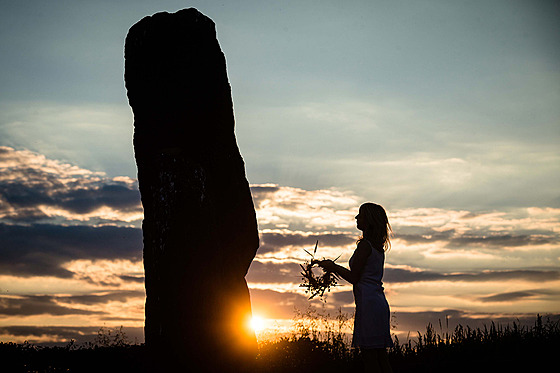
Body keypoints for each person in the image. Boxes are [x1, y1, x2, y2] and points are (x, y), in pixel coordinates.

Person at [318, 202, 393, 373]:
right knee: (381, 357)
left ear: (368, 221)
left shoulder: (365, 246)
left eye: (360, 215)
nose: (356, 217)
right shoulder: (377, 247)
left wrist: (332, 266)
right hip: (378, 302)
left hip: (369, 305)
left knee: (370, 359)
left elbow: (354, 277)